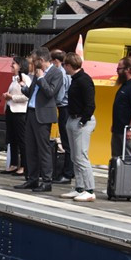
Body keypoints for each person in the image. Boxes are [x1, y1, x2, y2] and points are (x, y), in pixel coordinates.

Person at [15, 48, 64, 192]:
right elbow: (32, 93)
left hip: (43, 116)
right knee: (30, 147)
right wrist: (24, 87)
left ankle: (47, 181)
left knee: (43, 149)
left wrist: (42, 78)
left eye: (35, 60)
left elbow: (50, 93)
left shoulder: (56, 73)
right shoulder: (37, 73)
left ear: (41, 60)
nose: (33, 63)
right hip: (31, 112)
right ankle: (32, 179)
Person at [60, 53, 97, 202]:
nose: (64, 68)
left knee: (81, 156)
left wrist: (83, 120)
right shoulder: (76, 80)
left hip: (82, 120)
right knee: (75, 156)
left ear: (69, 65)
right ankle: (79, 187)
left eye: (64, 65)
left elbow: (90, 104)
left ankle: (89, 189)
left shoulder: (84, 80)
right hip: (74, 118)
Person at [1, 56, 30, 175]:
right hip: (11, 110)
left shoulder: (25, 79)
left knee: (21, 139)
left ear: (20, 65)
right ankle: (13, 164)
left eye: (14, 63)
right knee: (12, 138)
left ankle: (24, 165)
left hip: (20, 112)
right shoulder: (14, 79)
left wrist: (11, 97)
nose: (11, 65)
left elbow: (27, 96)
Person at [50, 49, 74, 184]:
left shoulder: (62, 75)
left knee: (67, 143)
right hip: (67, 108)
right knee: (68, 142)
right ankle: (70, 171)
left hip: (64, 109)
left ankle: (67, 173)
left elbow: (60, 96)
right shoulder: (67, 75)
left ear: (56, 61)